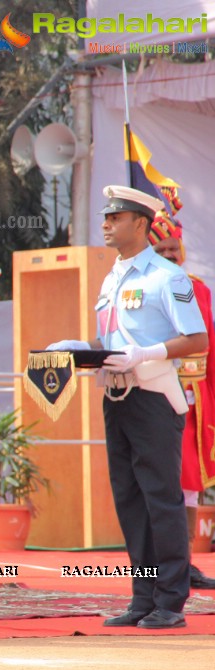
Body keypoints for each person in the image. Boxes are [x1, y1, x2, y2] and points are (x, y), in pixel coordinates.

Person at [47, 185, 206, 629]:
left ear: (140, 223)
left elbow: (198, 340)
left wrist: (146, 353)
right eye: (105, 218)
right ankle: (143, 597)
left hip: (153, 395)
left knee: (161, 499)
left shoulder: (166, 276)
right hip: (116, 394)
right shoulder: (112, 276)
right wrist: (80, 347)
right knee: (130, 499)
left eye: (114, 218)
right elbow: (112, 342)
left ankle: (171, 601)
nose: (106, 225)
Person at [146, 217, 215, 590]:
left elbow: (210, 343)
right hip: (156, 392)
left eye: (174, 249)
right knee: (162, 481)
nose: (170, 256)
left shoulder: (198, 289)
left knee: (190, 481)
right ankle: (156, 567)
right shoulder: (146, 287)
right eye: (161, 251)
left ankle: (184, 563)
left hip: (195, 400)